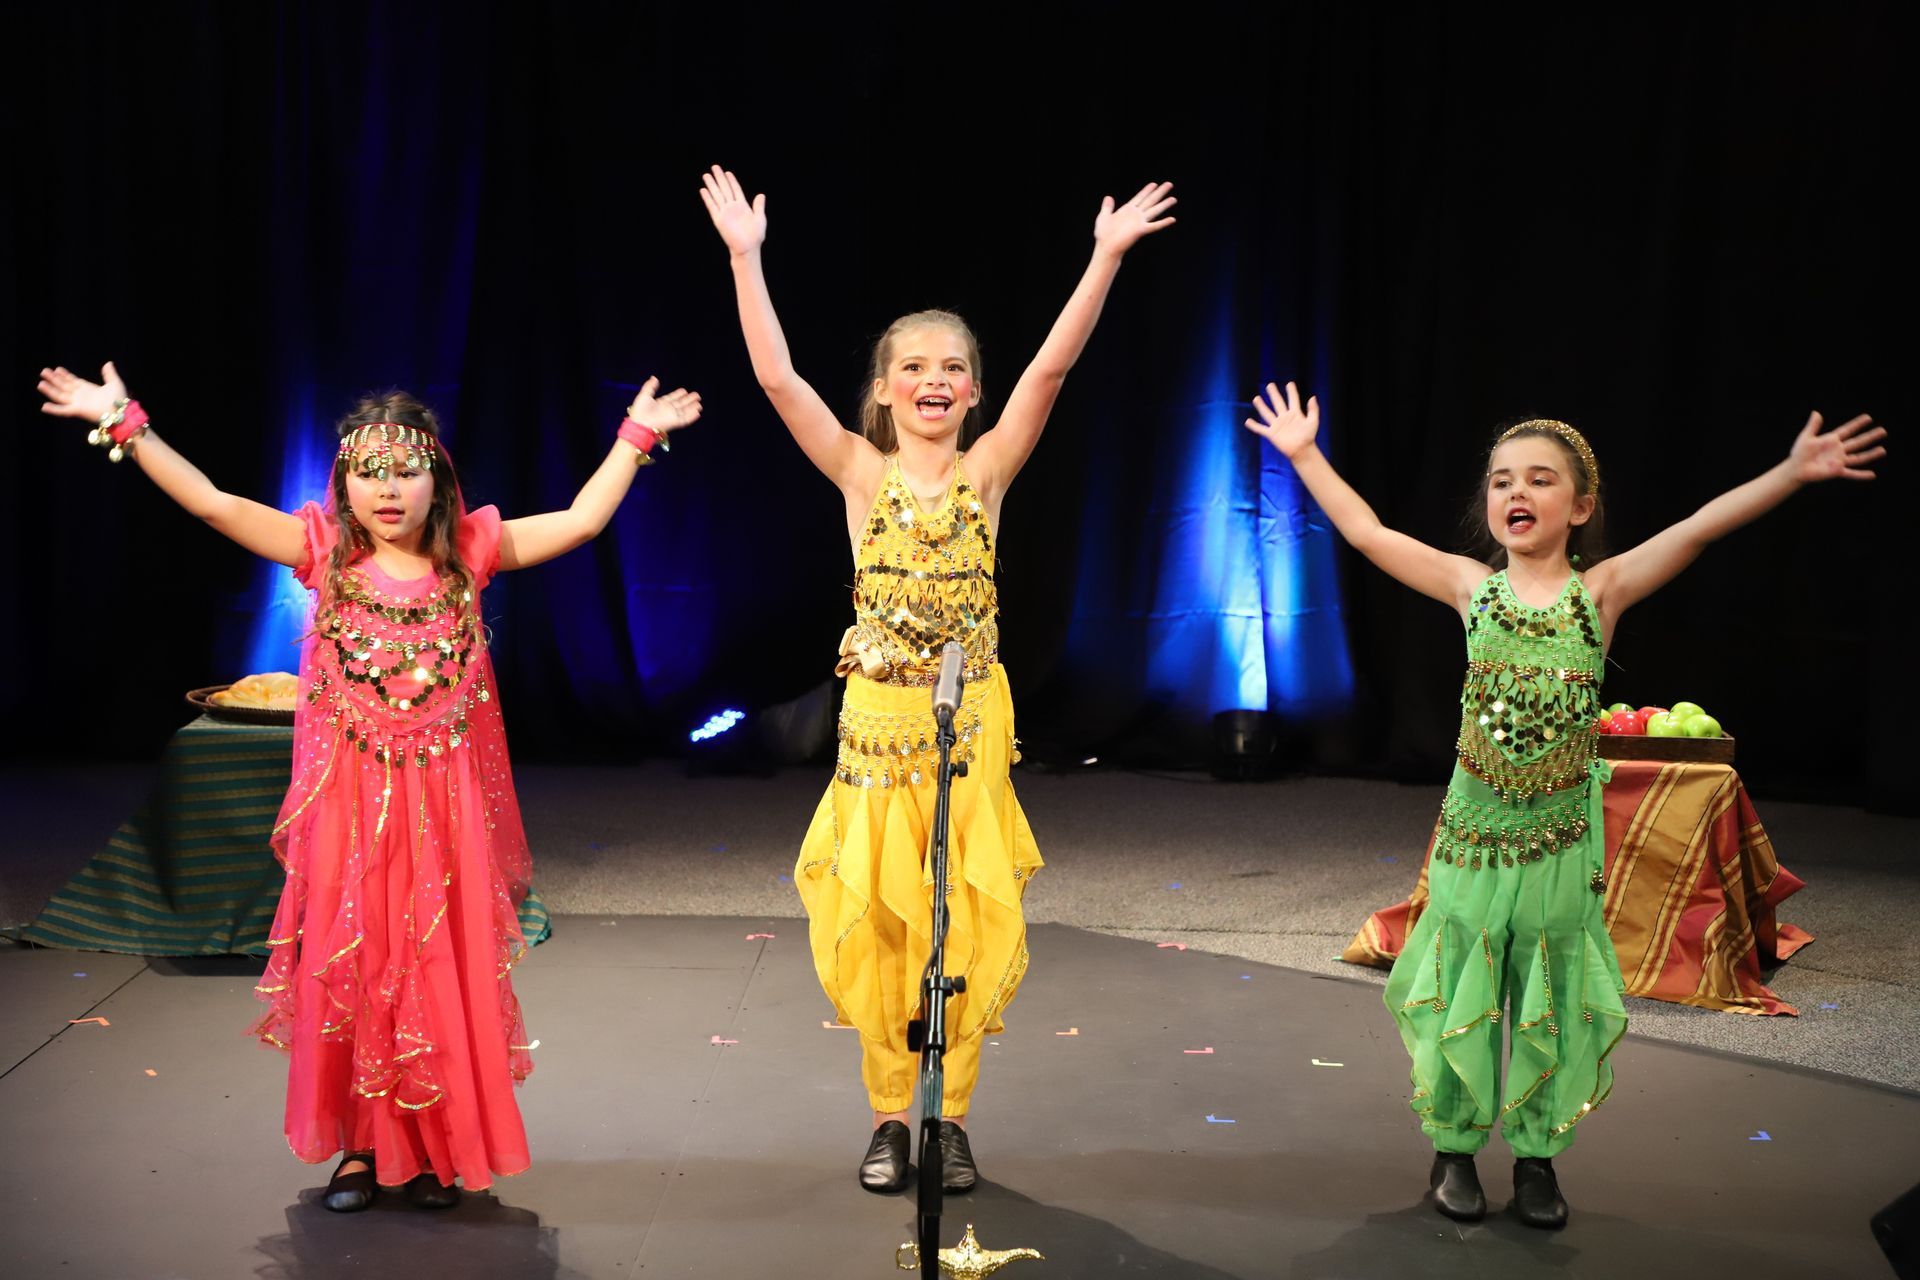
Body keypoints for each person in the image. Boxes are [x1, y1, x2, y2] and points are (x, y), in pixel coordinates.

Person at [36, 362, 700, 1210]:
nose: (388, 491)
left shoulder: (471, 551)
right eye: (368, 473)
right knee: (355, 964)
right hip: (351, 812)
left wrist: (635, 436)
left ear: (440, 480)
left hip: (445, 813)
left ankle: (434, 1150)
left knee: (435, 966)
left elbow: (577, 522)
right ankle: (359, 1149)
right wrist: (126, 422)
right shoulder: (321, 551)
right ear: (343, 485)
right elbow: (212, 502)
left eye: (406, 471)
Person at [1244, 381, 1884, 1227]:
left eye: (1541, 480)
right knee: (1464, 985)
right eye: (1503, 479)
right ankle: (1455, 1146)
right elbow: (1367, 533)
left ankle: (1540, 1157)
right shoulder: (1472, 588)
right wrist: (1303, 455)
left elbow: (1698, 527)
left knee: (1548, 991)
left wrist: (1791, 473)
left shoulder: (1602, 596)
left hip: (1555, 843)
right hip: (1475, 838)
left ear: (1581, 506)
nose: (1518, 492)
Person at [698, 164, 1174, 1194]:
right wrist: (747, 259)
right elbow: (779, 381)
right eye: (911, 365)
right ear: (881, 388)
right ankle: (886, 1113)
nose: (932, 379)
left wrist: (1103, 256)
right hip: (875, 727)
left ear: (972, 387)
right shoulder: (859, 473)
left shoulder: (986, 471)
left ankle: (948, 1113)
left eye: (952, 365)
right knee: (879, 919)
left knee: (959, 911)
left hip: (967, 724)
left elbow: (1050, 370)